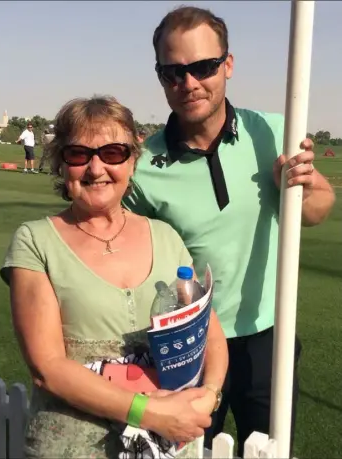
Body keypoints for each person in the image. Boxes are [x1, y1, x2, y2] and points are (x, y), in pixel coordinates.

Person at [122, 6, 336, 456]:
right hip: (188, 340)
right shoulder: (144, 166)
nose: (189, 83)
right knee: (185, 452)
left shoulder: (275, 132)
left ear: (229, 65)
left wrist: (300, 186)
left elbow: (317, 209)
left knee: (271, 449)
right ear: (160, 77)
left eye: (203, 67)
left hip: (268, 334)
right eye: (173, 72)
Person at [0, 95, 228, 458]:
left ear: (132, 162)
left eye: (112, 153)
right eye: (78, 154)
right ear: (61, 164)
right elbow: (49, 368)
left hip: (163, 448)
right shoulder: (35, 241)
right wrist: (151, 413)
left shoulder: (165, 237)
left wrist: (210, 396)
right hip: (72, 447)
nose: (95, 168)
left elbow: (210, 332)